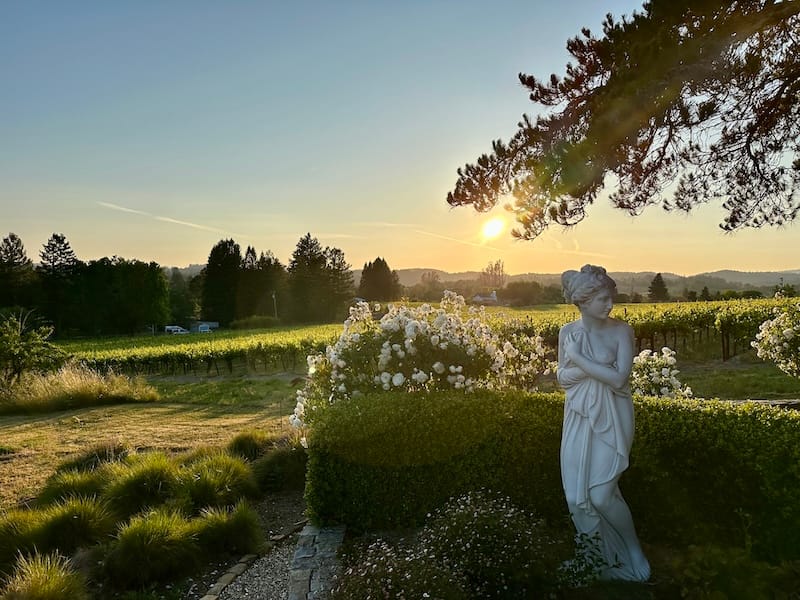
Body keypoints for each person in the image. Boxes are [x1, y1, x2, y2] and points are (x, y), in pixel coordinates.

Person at [558, 265, 650, 581]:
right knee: (576, 497)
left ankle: (633, 550)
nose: (609, 305)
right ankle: (596, 559)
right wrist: (587, 366)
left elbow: (619, 379)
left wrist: (580, 359)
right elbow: (562, 378)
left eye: (609, 298)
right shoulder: (567, 333)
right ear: (582, 302)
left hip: (612, 415)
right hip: (578, 417)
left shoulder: (621, 331)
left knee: (601, 495)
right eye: (601, 299)